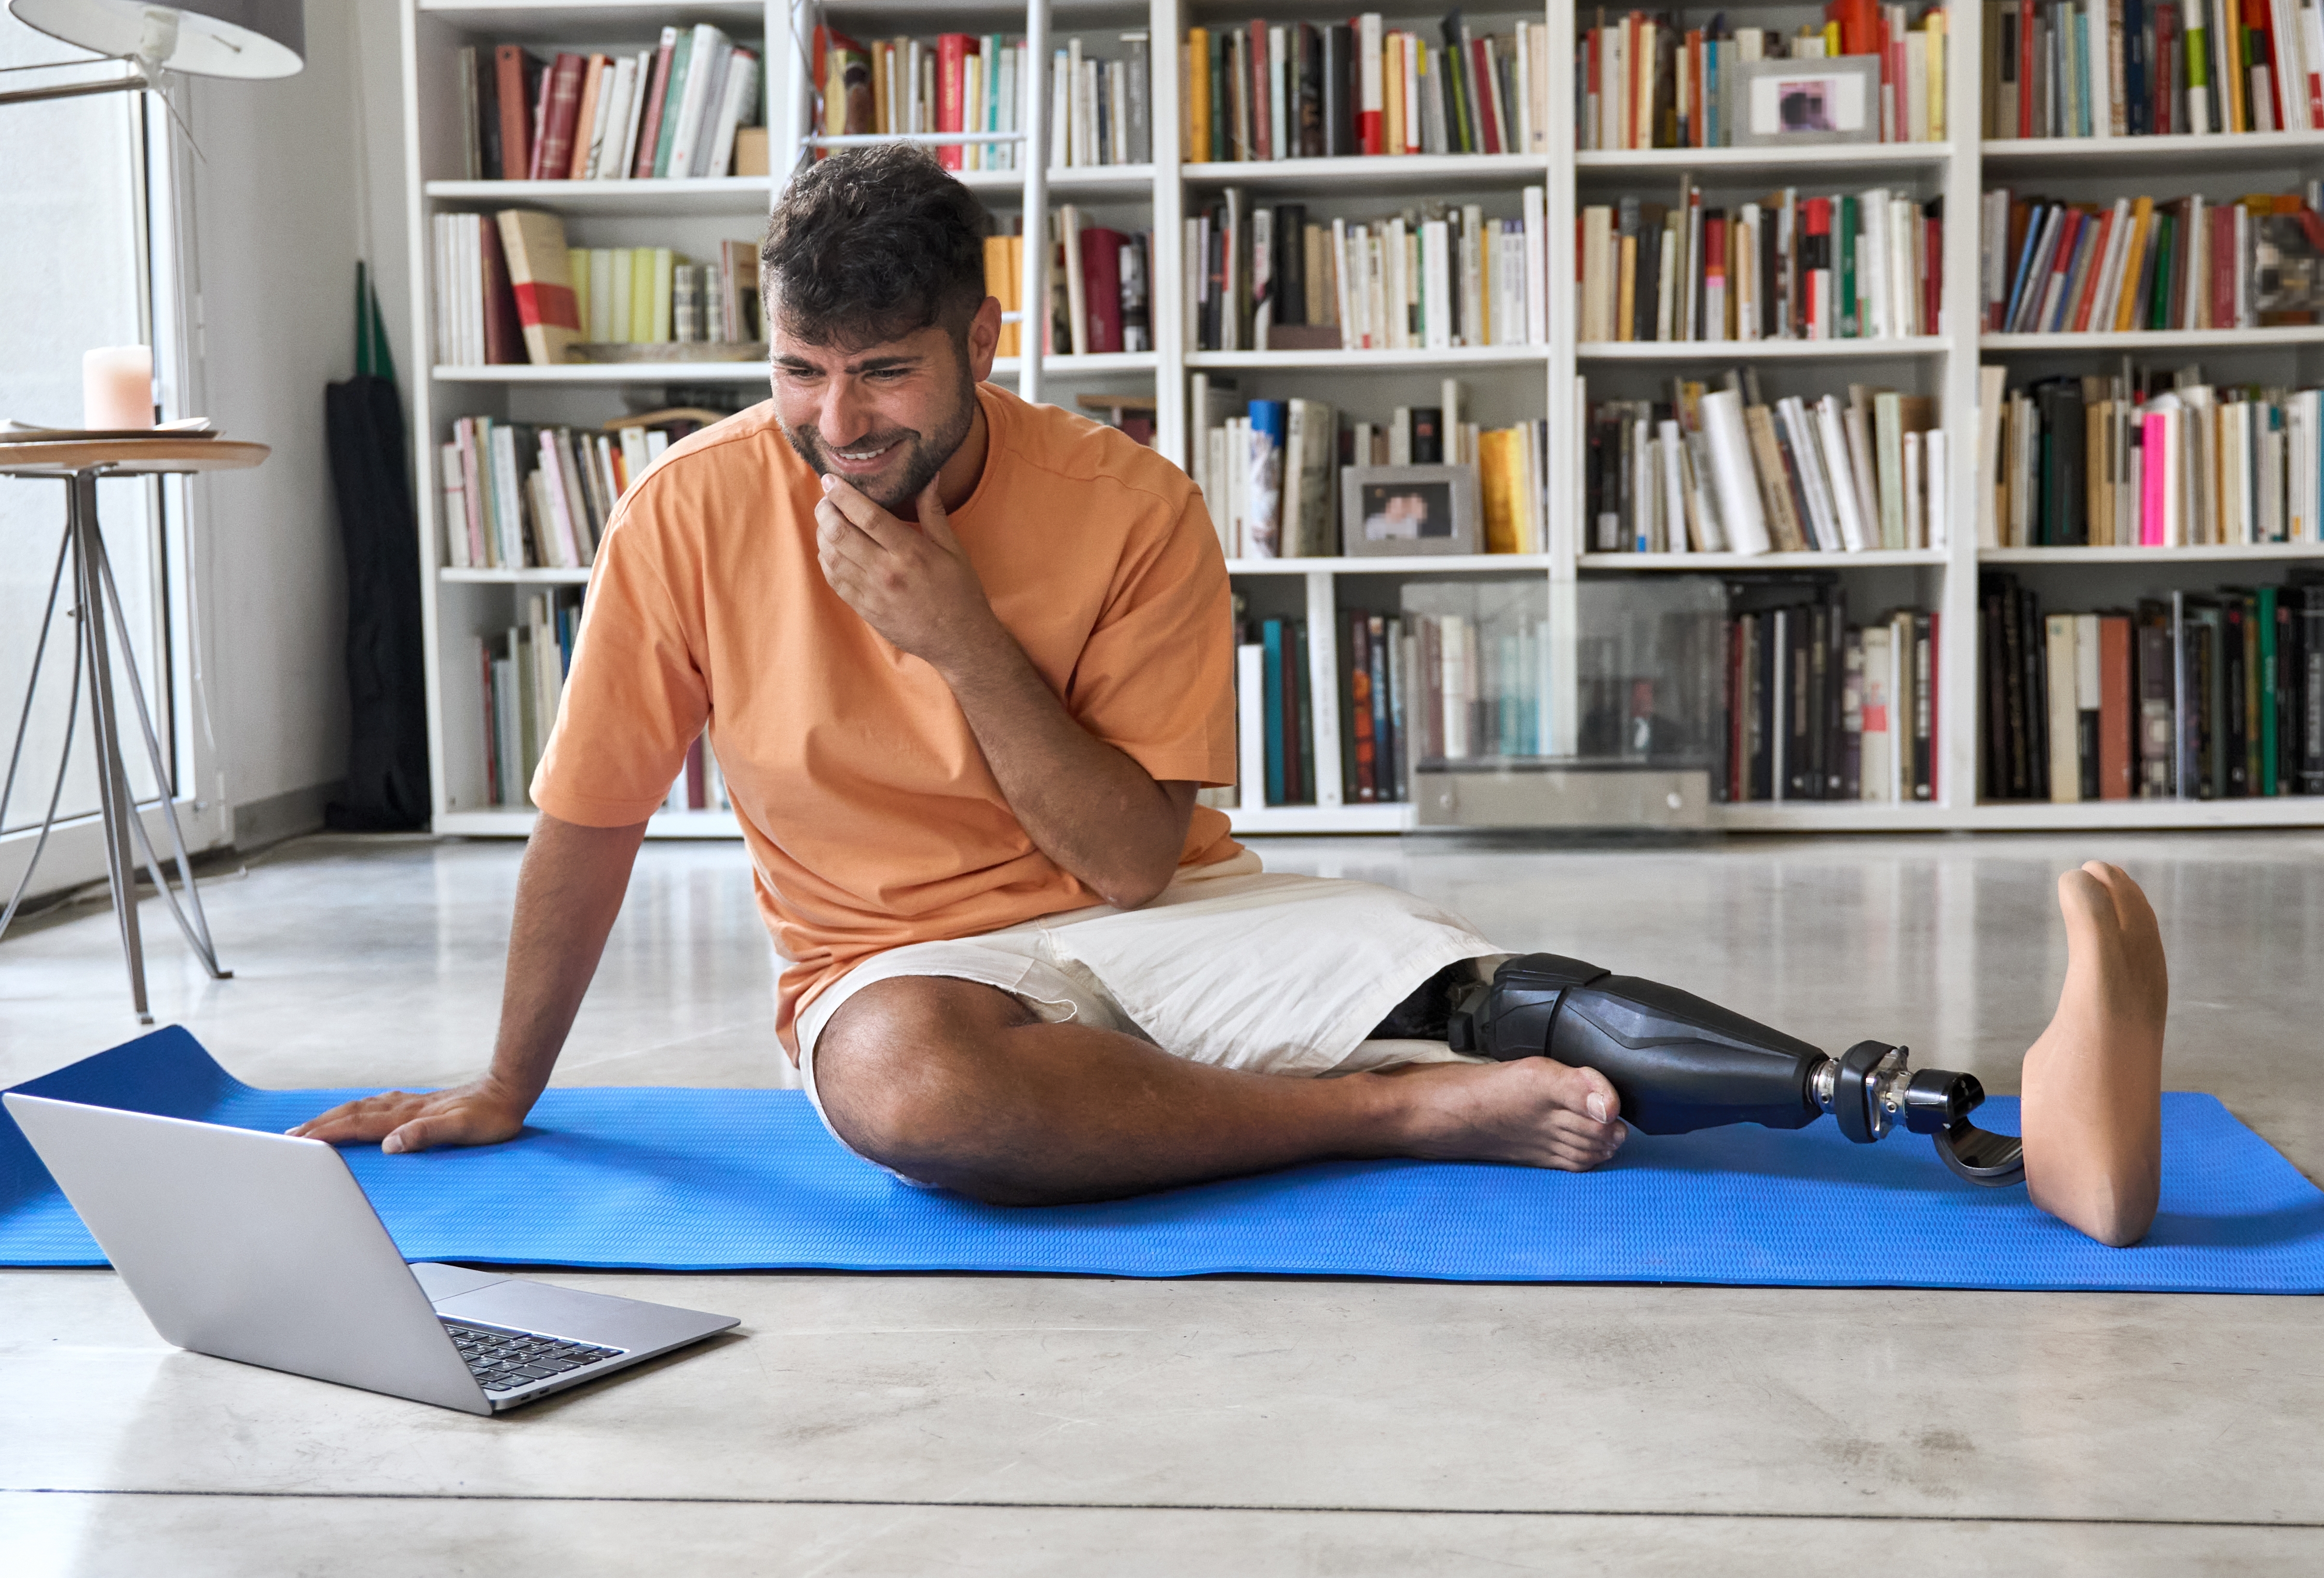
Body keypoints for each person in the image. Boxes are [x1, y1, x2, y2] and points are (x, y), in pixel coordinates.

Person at [290, 148, 2168, 1248]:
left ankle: (1949, 1115)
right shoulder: (690, 508)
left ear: (982, 346)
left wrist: (954, 631)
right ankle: (1391, 1116)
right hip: (894, 968)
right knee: (904, 1090)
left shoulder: (1130, 506)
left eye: (882, 373)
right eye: (798, 373)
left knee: (1485, 991)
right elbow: (592, 815)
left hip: (1161, 912)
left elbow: (1122, 860)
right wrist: (509, 1085)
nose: (837, 427)